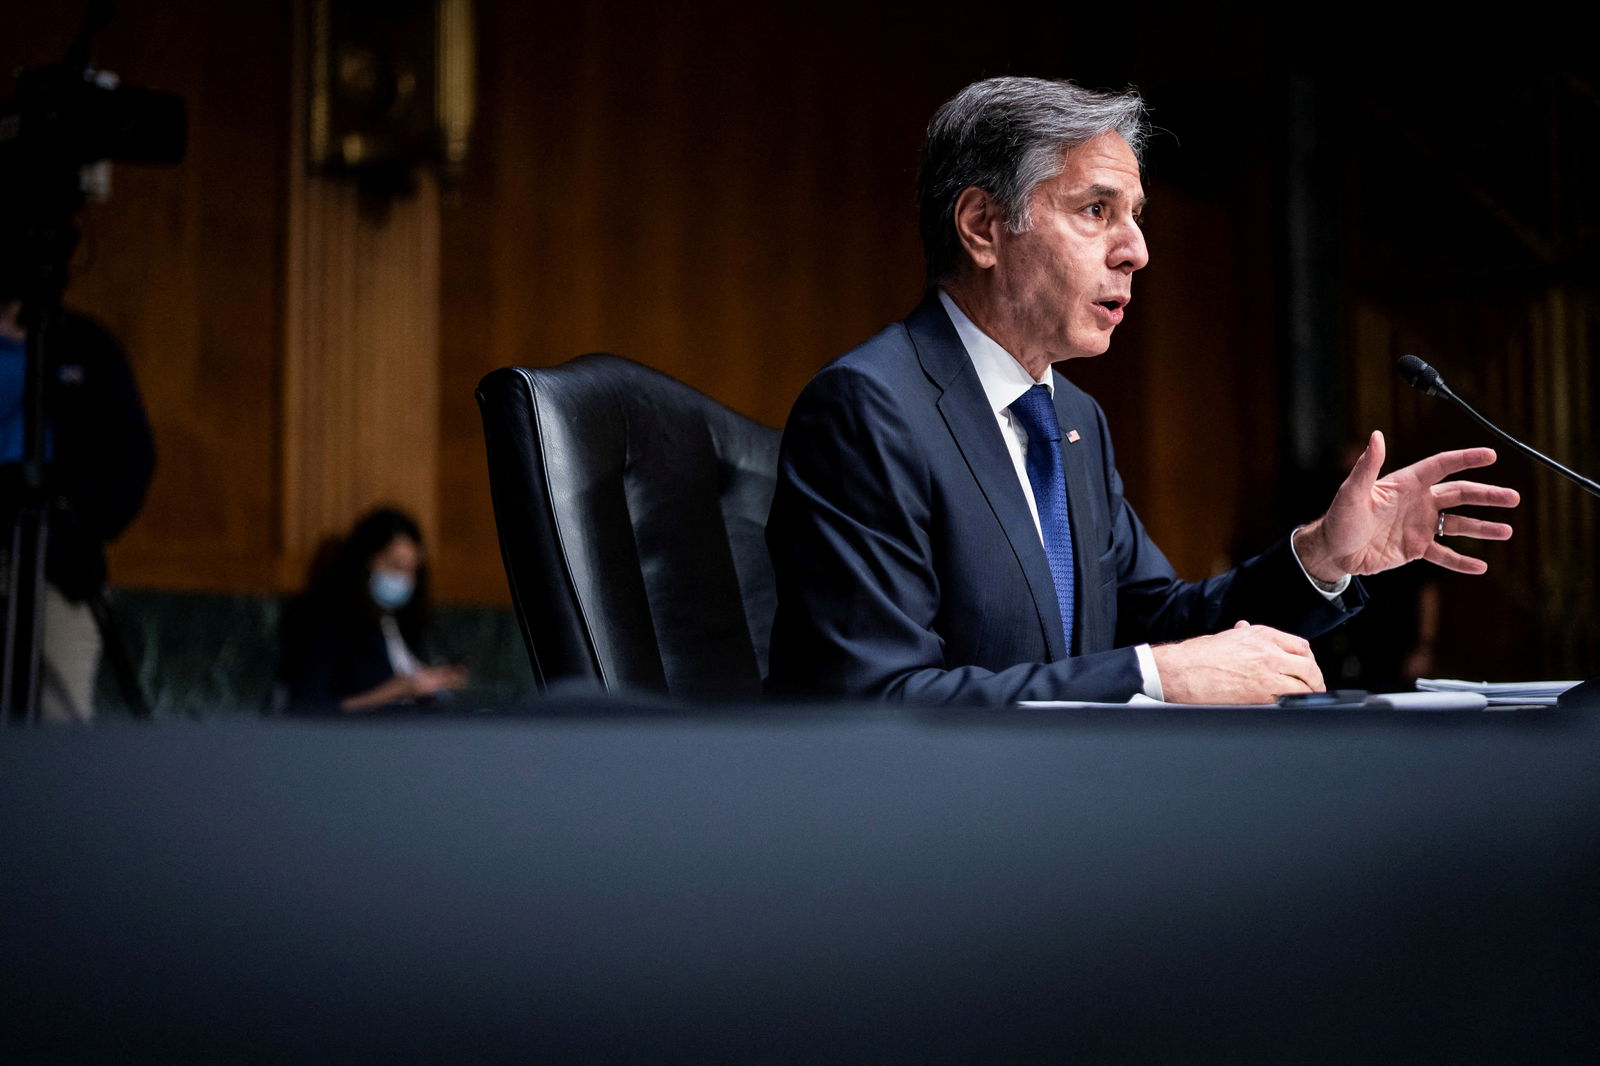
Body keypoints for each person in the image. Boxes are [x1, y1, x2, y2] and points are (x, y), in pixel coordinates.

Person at [765, 76, 1519, 705]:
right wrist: (1152, 676)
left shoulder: (1073, 419)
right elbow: (878, 699)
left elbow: (1158, 620)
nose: (1138, 251)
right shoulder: (870, 407)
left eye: (1136, 217)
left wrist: (1320, 557)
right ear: (984, 227)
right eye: (1097, 211)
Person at [0, 296, 155, 722]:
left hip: (59, 563)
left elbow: (134, 454)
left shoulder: (83, 342)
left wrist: (86, 530)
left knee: (60, 718)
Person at [279, 507, 468, 712]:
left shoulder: (399, 622)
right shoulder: (327, 621)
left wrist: (436, 680)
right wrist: (391, 692)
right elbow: (306, 707)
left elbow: (409, 681)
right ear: (365, 561)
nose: (404, 579)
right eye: (396, 565)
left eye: (412, 569)